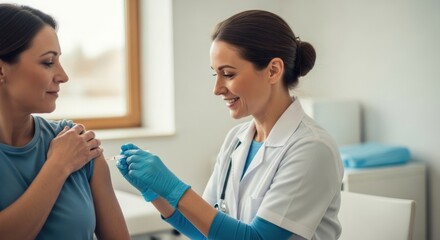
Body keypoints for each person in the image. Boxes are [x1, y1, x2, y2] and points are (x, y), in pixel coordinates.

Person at [117, 9, 343, 240]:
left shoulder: (312, 148)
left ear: (273, 70)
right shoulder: (237, 139)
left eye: (228, 74)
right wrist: (156, 192)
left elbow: (257, 238)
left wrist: (174, 187)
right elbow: (205, 229)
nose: (217, 89)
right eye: (215, 74)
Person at [0, 3, 130, 240]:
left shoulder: (77, 142)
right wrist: (58, 166)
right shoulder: (70, 152)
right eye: (48, 62)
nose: (63, 76)